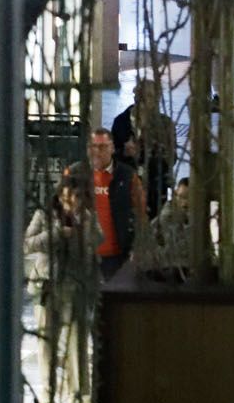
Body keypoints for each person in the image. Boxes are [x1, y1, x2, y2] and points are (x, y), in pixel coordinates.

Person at [63, 127, 143, 276]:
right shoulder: (73, 174)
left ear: (112, 148)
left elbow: (140, 212)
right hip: (81, 255)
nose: (97, 151)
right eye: (93, 146)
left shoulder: (127, 176)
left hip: (116, 256)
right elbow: (61, 209)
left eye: (102, 147)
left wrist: (136, 247)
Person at [111, 78, 176, 214]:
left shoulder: (165, 125)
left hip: (154, 189)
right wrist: (124, 152)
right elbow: (112, 157)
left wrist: (153, 152)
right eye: (145, 96)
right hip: (127, 187)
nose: (149, 101)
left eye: (153, 97)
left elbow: (172, 158)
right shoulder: (121, 122)